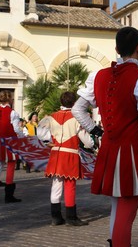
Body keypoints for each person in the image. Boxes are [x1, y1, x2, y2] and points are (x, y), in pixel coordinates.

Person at [71, 26, 138, 247]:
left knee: (117, 207)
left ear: (116, 49)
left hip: (110, 151)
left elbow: (77, 110)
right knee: (126, 212)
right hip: (133, 152)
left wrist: (97, 131)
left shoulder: (98, 76)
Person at [45, 91, 93, 227]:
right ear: (74, 103)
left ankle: (56, 217)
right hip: (70, 153)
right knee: (70, 185)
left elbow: (42, 134)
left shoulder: (52, 117)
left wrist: (49, 142)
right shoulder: (77, 117)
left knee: (56, 185)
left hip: (55, 154)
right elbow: (88, 142)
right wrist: (93, 144)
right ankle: (71, 218)